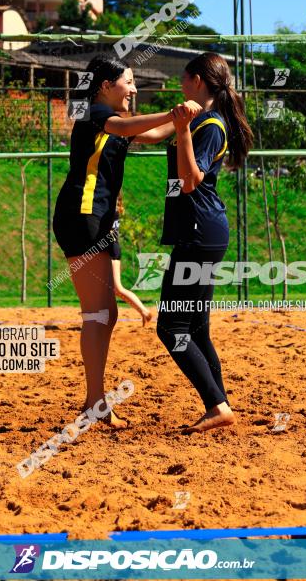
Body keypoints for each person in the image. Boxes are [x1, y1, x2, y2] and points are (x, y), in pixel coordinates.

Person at [52, 54, 200, 428]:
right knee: (98, 313)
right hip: (81, 217)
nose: (133, 88)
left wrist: (187, 119)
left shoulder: (116, 123)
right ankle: (93, 403)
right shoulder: (96, 117)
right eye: (128, 81)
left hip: (97, 219)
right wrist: (175, 111)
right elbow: (126, 126)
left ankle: (94, 402)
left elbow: (151, 133)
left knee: (107, 312)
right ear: (106, 86)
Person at [156, 52, 254, 434]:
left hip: (199, 234)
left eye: (183, 79)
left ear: (197, 80)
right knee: (195, 328)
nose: (180, 85)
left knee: (171, 327)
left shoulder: (209, 126)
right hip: (202, 232)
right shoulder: (200, 120)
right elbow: (153, 136)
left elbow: (190, 180)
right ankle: (220, 403)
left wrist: (181, 129)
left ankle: (216, 406)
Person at [110, 192, 152, 326]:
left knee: (117, 288)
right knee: (106, 288)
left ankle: (144, 311)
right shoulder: (113, 207)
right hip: (112, 247)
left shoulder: (108, 208)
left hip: (110, 248)